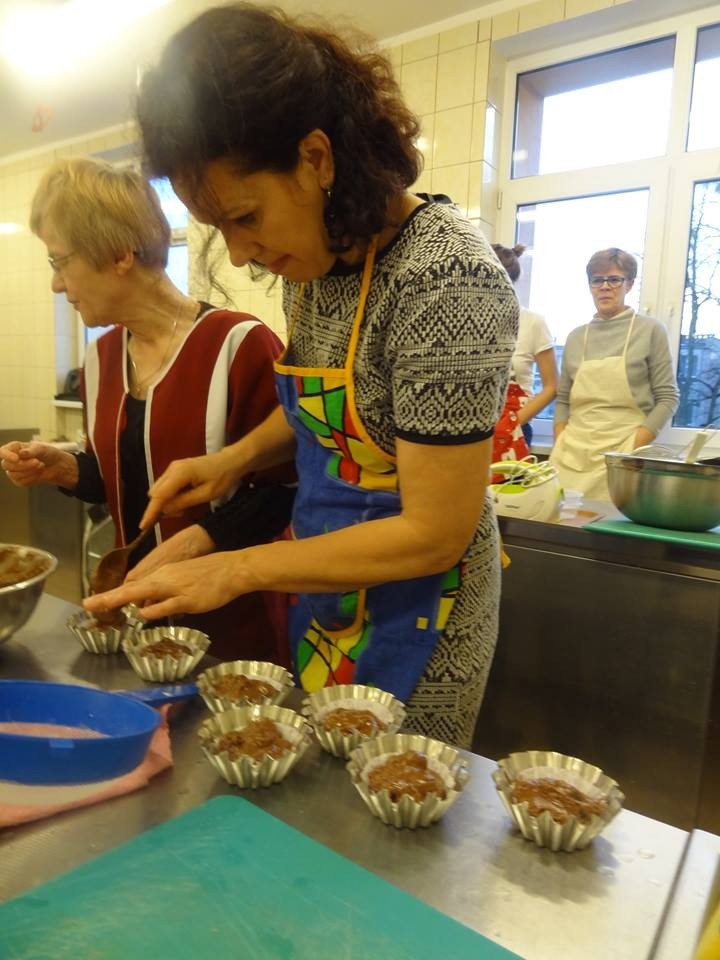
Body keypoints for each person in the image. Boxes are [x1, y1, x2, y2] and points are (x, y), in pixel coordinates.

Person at [84, 3, 519, 747]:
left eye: (246, 217)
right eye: (221, 229)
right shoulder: (318, 262)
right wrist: (232, 461)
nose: (243, 253)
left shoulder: (446, 280)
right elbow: (331, 406)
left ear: (316, 159)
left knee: (390, 817)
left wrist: (237, 567)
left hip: (424, 614)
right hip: (327, 592)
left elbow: (435, 533)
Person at [0, 157, 295, 661]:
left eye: (58, 261)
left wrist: (195, 542)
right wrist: (68, 468)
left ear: (118, 254)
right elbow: (122, 478)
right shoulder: (101, 358)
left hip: (236, 629)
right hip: (141, 626)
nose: (55, 284)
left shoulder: (239, 345)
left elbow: (284, 491)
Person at [549, 247, 679, 500]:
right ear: (590, 286)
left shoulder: (650, 330)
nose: (605, 287)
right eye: (597, 280)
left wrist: (633, 446)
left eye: (615, 279)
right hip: (571, 454)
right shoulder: (576, 337)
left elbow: (668, 397)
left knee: (610, 533)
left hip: (624, 454)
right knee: (560, 528)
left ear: (629, 284)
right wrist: (560, 438)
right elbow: (563, 398)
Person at [490, 243, 557, 468]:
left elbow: (551, 387)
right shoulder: (467, 323)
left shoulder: (533, 322)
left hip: (515, 427)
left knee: (511, 498)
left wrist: (514, 421)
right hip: (474, 427)